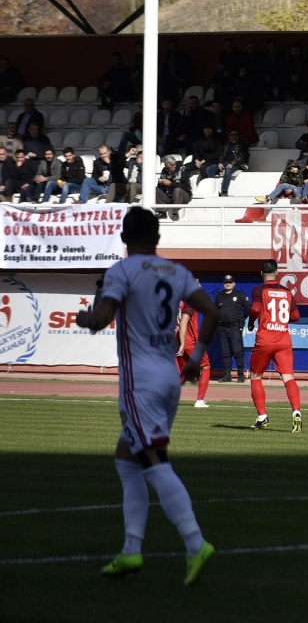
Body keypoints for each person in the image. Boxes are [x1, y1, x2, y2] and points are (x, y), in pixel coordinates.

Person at [74, 206, 218, 584]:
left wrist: (86, 319)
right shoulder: (177, 271)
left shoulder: (121, 271)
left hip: (140, 382)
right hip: (169, 377)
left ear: (124, 238)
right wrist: (196, 359)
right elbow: (211, 312)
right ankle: (131, 551)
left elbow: (102, 318)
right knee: (127, 460)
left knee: (154, 461)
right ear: (157, 238)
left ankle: (195, 543)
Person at [247, 259, 303, 432]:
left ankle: (262, 417)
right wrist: (280, 317)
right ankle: (296, 412)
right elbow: (295, 316)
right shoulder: (286, 291)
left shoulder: (259, 290)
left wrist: (251, 322)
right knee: (288, 377)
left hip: (266, 338)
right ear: (277, 272)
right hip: (283, 340)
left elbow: (256, 309)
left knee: (256, 376)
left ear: (261, 273)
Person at [174, 298, 212, 409]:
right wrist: (183, 344)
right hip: (189, 342)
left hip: (175, 339)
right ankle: (200, 400)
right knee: (205, 366)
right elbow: (183, 323)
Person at [214, 275, 248, 383]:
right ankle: (227, 374)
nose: (227, 284)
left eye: (230, 282)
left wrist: (242, 318)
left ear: (234, 284)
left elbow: (248, 308)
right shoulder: (219, 296)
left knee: (238, 351)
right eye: (226, 282)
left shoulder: (239, 295)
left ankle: (241, 374)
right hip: (223, 328)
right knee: (225, 353)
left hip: (235, 327)